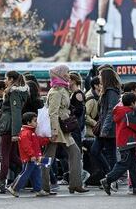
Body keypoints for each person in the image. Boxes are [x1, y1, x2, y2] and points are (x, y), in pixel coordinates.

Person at [41, 65, 89, 194]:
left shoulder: (62, 88)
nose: (68, 75)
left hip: (63, 129)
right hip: (57, 129)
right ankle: (43, 185)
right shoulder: (56, 91)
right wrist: (54, 131)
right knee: (47, 158)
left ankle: (75, 184)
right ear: (60, 74)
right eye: (66, 72)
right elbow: (53, 113)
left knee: (75, 153)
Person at [100, 92, 136, 196]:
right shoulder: (128, 112)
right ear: (132, 103)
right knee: (124, 164)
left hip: (126, 142)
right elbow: (135, 125)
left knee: (133, 165)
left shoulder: (121, 111)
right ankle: (108, 179)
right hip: (128, 142)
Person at [0, 71, 29, 193]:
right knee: (13, 156)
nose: (5, 81)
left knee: (4, 156)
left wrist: (15, 133)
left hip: (9, 127)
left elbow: (16, 113)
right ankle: (26, 174)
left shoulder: (14, 92)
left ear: (12, 79)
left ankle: (1, 183)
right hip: (9, 126)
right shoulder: (16, 92)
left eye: (6, 78)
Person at [7, 112, 50, 197]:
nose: (37, 123)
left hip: (35, 157)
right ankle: (13, 187)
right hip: (30, 158)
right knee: (25, 173)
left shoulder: (31, 132)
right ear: (28, 122)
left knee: (36, 174)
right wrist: (32, 155)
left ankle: (38, 189)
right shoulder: (26, 133)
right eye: (35, 121)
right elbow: (26, 146)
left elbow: (38, 141)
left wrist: (48, 140)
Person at [91, 68, 121, 183]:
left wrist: (105, 128)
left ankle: (111, 179)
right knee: (95, 151)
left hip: (108, 129)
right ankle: (109, 175)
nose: (98, 77)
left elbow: (110, 111)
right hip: (104, 128)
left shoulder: (111, 92)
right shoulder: (107, 91)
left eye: (100, 75)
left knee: (110, 155)